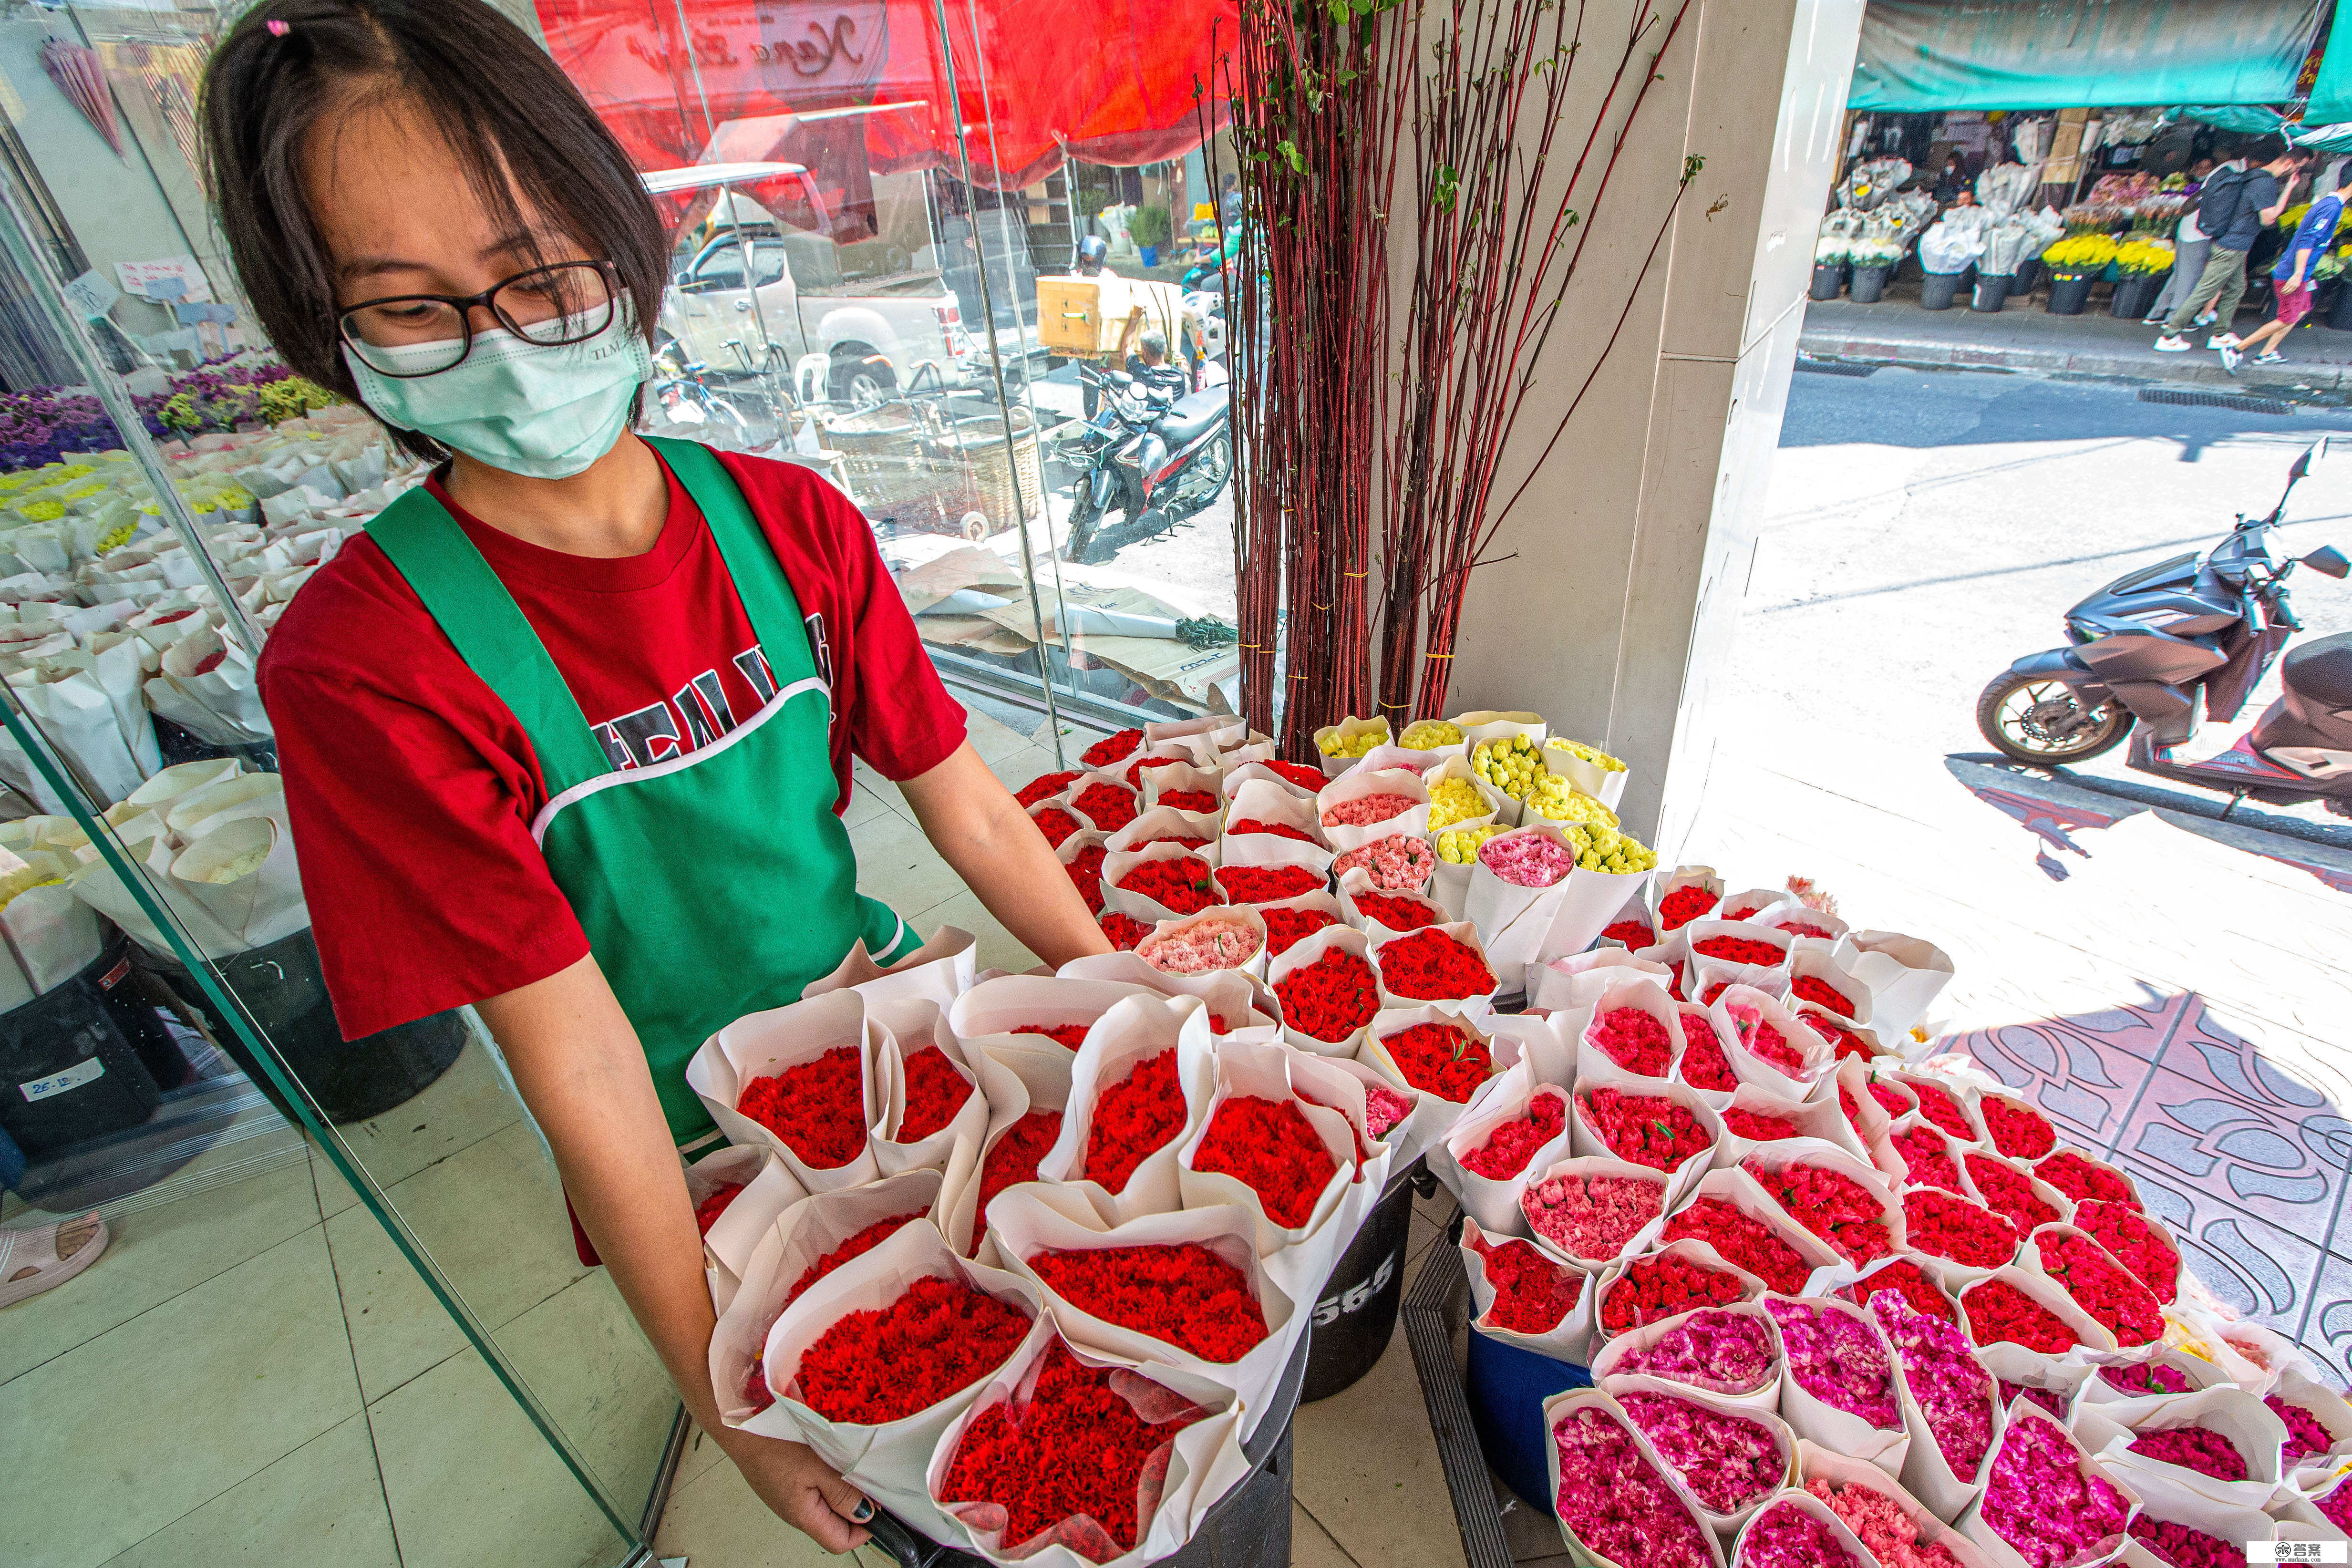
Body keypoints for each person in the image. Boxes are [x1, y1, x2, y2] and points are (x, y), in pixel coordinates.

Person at [199, 0, 1110, 1552]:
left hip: (886, 1017)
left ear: (620, 248)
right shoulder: (367, 667)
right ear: (324, 326)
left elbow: (960, 798)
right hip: (696, 1145)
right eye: (412, 310)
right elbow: (584, 1068)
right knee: (903, 1463)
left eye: (539, 276)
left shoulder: (791, 524)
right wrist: (719, 1393)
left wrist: (1120, 984)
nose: (499, 347)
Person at [2156, 141, 2308, 352]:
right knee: (2204, 291)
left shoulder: (2251, 175)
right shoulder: (2265, 183)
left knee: (2237, 288)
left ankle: (2221, 333)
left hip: (2234, 243)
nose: (2296, 172)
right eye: (2296, 168)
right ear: (2288, 164)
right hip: (2233, 246)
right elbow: (2267, 219)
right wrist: (2289, 190)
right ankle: (2170, 335)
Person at [2226, 157, 2346, 370]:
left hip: (2301, 273)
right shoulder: (2331, 208)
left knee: (2300, 311)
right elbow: (2308, 240)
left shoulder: (2331, 204)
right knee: (2286, 318)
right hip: (2293, 273)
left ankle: (2267, 352)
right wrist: (2299, 274)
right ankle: (2236, 350)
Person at [2142, 156, 2218, 327]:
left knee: (2179, 275)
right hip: (2198, 234)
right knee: (2190, 278)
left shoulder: (2211, 183)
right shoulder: (2221, 184)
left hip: (2187, 230)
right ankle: (2175, 319)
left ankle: (2157, 314)